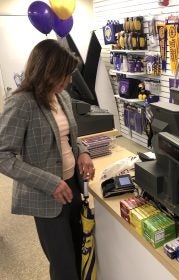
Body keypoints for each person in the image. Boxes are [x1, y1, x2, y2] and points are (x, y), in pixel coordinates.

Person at [0, 39, 95, 280]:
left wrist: (83, 151)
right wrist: (49, 182)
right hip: (46, 196)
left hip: (71, 186)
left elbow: (70, 137)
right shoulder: (21, 102)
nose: (70, 80)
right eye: (65, 74)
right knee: (64, 267)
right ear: (48, 71)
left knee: (79, 251)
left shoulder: (61, 96)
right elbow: (3, 155)